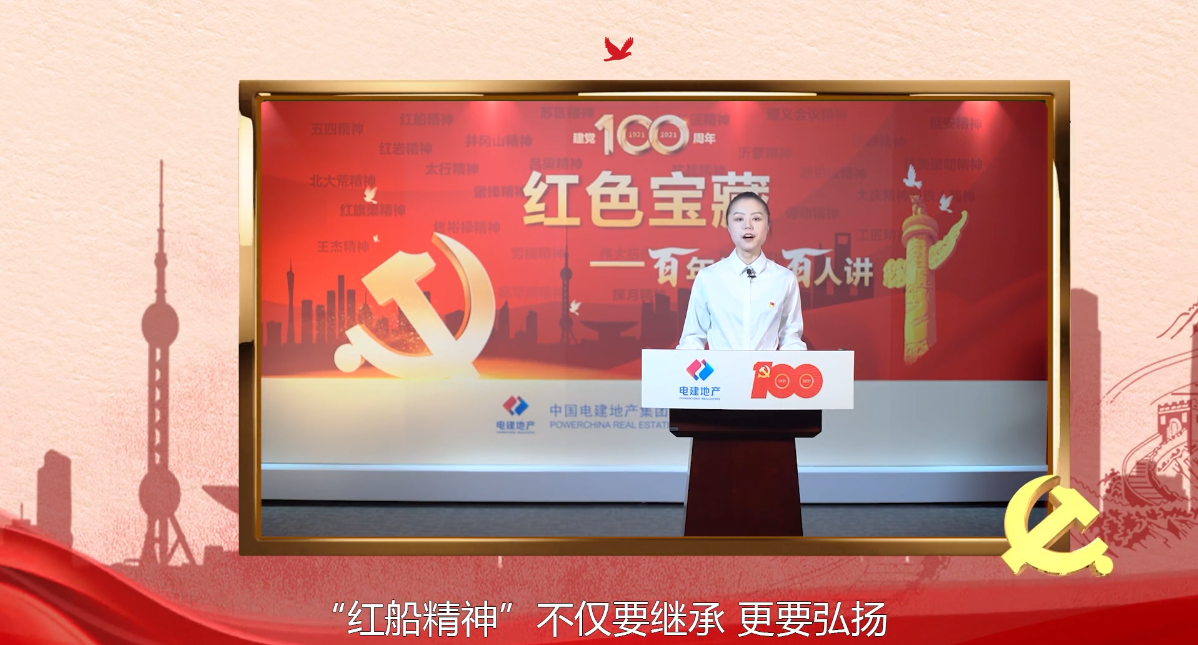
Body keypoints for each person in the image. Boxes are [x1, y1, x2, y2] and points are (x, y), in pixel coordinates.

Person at [677, 191, 807, 350]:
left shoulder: (784, 279)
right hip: (720, 366)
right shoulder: (709, 278)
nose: (748, 226)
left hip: (765, 366)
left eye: (756, 219)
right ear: (728, 226)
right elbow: (692, 339)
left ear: (767, 226)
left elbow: (791, 339)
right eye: (739, 219)